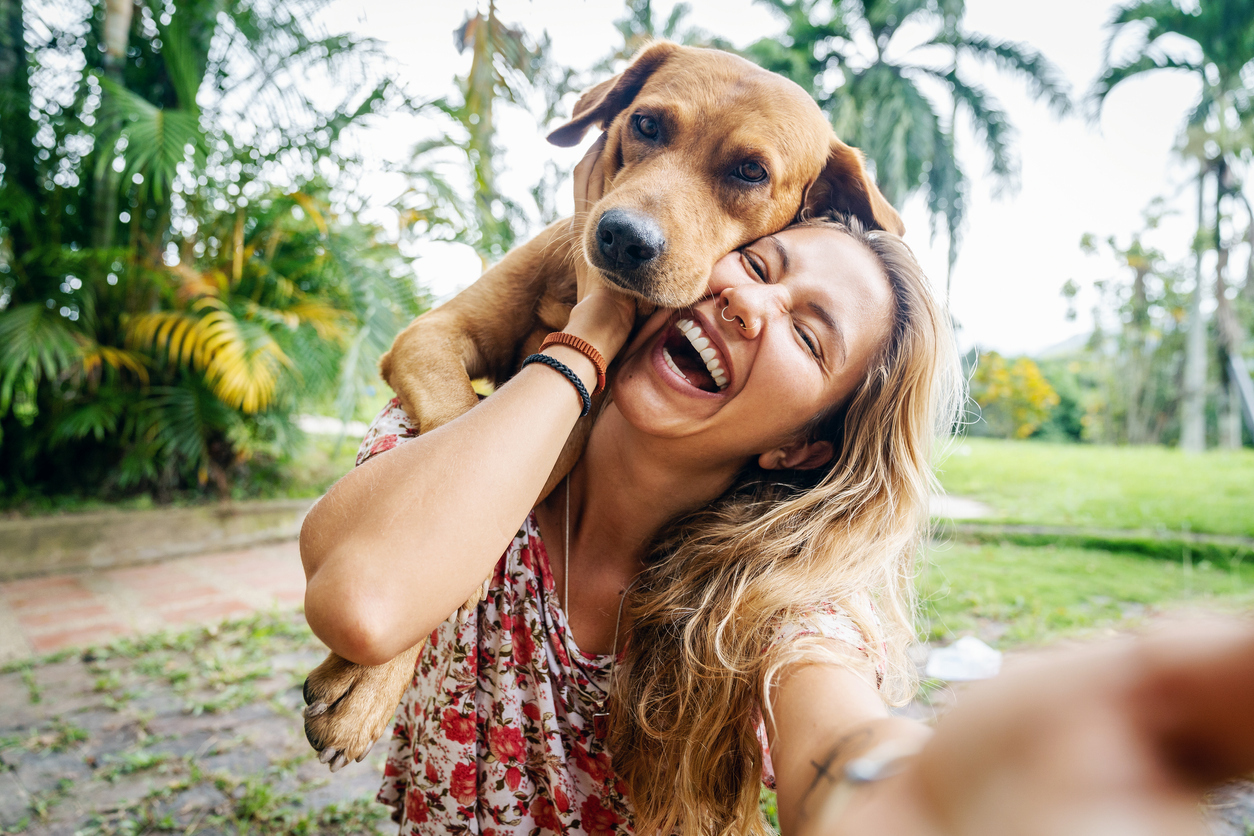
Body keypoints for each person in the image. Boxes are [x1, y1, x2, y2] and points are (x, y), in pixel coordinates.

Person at [300, 137, 1254, 836]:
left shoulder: (781, 604)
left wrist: (906, 792)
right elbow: (367, 602)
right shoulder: (473, 432)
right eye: (754, 266)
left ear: (801, 448)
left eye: (807, 335)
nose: (751, 303)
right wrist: (591, 329)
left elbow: (838, 741)